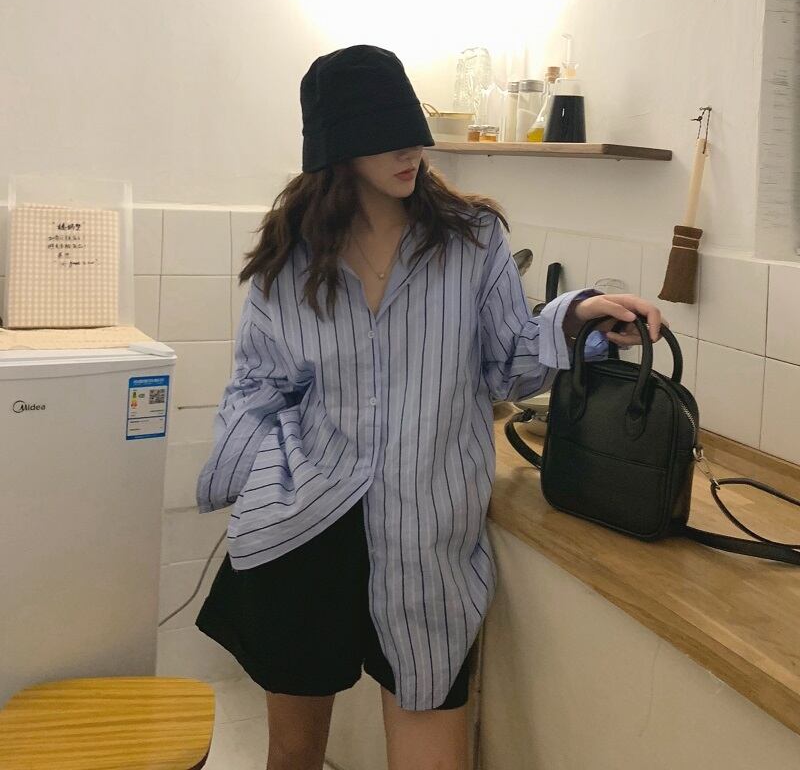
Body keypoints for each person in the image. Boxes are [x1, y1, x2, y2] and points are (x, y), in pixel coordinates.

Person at [194, 44, 664, 770]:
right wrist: (251, 476)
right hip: (308, 528)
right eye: (384, 136)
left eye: (412, 131)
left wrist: (575, 319)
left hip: (427, 536)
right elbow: (258, 384)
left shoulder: (471, 239)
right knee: (292, 755)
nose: (410, 150)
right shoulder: (294, 256)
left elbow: (509, 363)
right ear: (336, 147)